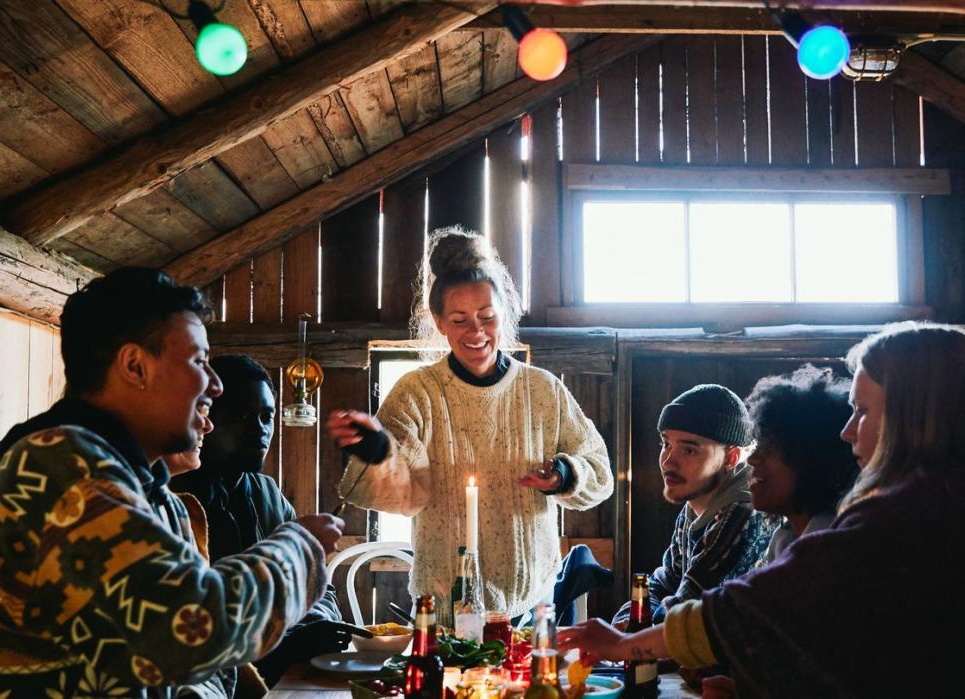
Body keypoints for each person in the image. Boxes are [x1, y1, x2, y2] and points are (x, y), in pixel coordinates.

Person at [560, 323, 965, 697]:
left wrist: (621, 647)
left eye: (864, 410)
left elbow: (750, 609)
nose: (848, 430)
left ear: (915, 419)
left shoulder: (917, 513)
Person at [0, 267, 345, 697]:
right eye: (197, 361)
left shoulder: (149, 493)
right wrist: (298, 547)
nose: (215, 384)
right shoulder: (59, 467)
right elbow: (190, 628)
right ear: (135, 366)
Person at [326, 228, 613, 621]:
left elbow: (599, 471)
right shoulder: (417, 392)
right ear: (439, 322)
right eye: (459, 320)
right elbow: (405, 495)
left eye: (487, 317)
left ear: (504, 313)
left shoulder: (543, 390)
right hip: (444, 609)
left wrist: (564, 474)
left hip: (530, 604)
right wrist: (376, 451)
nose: (476, 332)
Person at [173, 354, 356, 686]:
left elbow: (319, 584)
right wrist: (284, 645)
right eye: (241, 416)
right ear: (206, 419)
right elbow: (193, 625)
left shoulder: (266, 492)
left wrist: (314, 622)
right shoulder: (177, 501)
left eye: (266, 416)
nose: (260, 430)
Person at [613, 384, 778, 626]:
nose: (668, 462)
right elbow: (665, 579)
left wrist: (633, 629)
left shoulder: (741, 514)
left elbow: (686, 611)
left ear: (731, 458)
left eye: (689, 450)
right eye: (666, 444)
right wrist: (630, 616)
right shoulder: (697, 500)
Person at [745, 365, 859, 566]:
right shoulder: (785, 537)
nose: (753, 459)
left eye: (769, 448)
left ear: (810, 460)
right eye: (757, 445)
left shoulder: (830, 545)